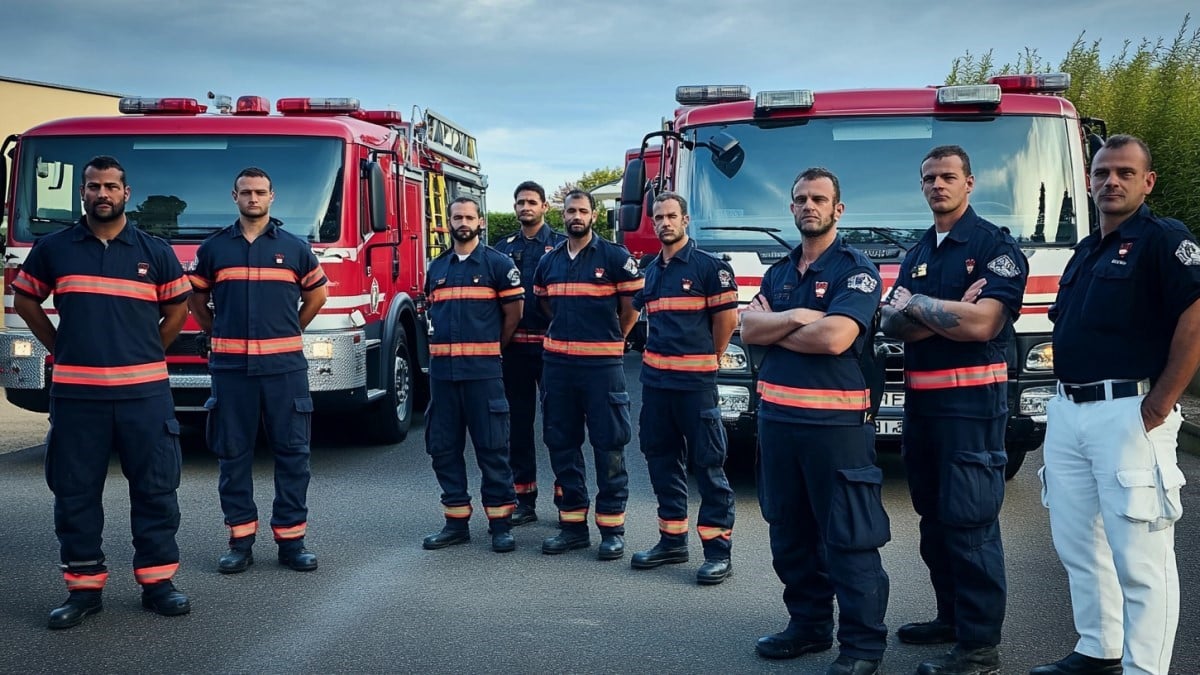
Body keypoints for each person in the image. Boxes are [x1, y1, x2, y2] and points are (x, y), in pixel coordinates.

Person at [1033, 134, 1200, 675]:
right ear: (1089, 180)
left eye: (1126, 173)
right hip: (1070, 411)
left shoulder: (1163, 239)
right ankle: (1098, 647)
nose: (1112, 181)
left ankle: (1144, 670)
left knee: (1141, 558)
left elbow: (1196, 317)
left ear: (1148, 182)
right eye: (1103, 172)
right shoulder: (1087, 248)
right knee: (1078, 542)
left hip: (1128, 413)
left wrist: (1158, 406)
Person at [13, 155, 192, 628]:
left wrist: (149, 350)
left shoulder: (154, 251)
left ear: (126, 193)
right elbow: (25, 299)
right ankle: (83, 589)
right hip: (77, 397)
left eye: (111, 186)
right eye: (94, 187)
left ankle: (158, 584)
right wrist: (59, 345)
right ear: (83, 193)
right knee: (75, 493)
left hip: (145, 396)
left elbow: (178, 310)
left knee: (156, 490)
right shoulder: (55, 249)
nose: (102, 194)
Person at [881, 145, 1027, 675]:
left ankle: (979, 648)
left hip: (972, 408)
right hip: (923, 408)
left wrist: (918, 307)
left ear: (969, 182)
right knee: (934, 522)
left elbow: (983, 324)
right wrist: (944, 311)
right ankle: (951, 619)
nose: (937, 185)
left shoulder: (994, 248)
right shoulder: (921, 249)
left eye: (947, 176)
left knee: (970, 525)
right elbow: (890, 323)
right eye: (929, 178)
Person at [742, 167, 890, 675]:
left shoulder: (857, 270)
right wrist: (797, 318)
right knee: (789, 531)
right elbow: (745, 328)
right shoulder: (779, 272)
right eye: (801, 198)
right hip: (778, 422)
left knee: (849, 537)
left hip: (835, 426)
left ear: (837, 210)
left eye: (819, 199)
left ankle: (863, 646)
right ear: (792, 208)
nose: (810, 206)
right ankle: (807, 627)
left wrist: (773, 327)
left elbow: (835, 339)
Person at [188, 167, 328, 574]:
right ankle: (240, 541)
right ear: (234, 196)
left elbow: (316, 294)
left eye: (260, 192)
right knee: (233, 456)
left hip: (285, 369)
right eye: (246, 192)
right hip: (231, 369)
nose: (253, 198)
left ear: (272, 196)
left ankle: (292, 541)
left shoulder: (295, 247)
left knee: (293, 455)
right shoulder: (214, 249)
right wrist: (215, 332)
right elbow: (195, 297)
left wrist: (292, 329)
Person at [629, 192, 738, 585]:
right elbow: (637, 311)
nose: (664, 223)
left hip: (695, 385)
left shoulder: (710, 267)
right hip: (657, 385)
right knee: (661, 460)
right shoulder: (651, 269)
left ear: (686, 220)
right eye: (658, 217)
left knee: (708, 467)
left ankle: (717, 552)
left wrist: (711, 358)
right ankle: (672, 540)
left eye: (671, 216)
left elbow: (726, 321)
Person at [532, 189, 642, 560]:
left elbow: (631, 310)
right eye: (570, 211)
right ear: (562, 216)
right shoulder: (549, 262)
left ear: (594, 215)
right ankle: (572, 527)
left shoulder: (615, 258)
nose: (576, 216)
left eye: (582, 210)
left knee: (609, 446)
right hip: (559, 369)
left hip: (602, 369)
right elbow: (546, 303)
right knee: (562, 446)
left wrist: (614, 340)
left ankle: (612, 530)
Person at [419, 197, 525, 553]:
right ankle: (455, 522)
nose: (462, 222)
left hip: (483, 375)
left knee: (493, 449)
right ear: (447, 222)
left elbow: (514, 314)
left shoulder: (498, 264)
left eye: (468, 217)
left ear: (480, 222)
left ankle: (500, 525)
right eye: (456, 217)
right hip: (444, 378)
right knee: (443, 448)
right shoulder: (437, 267)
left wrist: (493, 348)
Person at [491, 181, 566, 526]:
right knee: (518, 427)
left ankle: (569, 500)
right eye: (520, 202)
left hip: (553, 350)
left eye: (532, 202)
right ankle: (524, 500)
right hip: (517, 348)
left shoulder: (563, 248)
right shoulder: (501, 249)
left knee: (559, 425)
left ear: (544, 206)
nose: (525, 208)